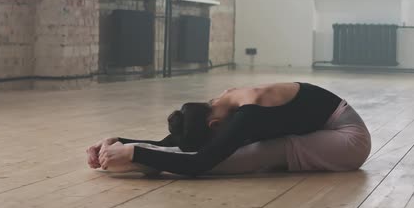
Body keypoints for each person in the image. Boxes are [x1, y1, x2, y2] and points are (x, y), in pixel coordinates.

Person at [86, 82, 371, 176]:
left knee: (250, 154)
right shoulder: (223, 103)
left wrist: (135, 154)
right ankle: (138, 158)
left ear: (215, 125)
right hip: (317, 130)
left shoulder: (250, 113)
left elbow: (201, 161)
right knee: (232, 150)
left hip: (348, 139)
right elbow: (180, 141)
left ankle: (145, 163)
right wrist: (120, 139)